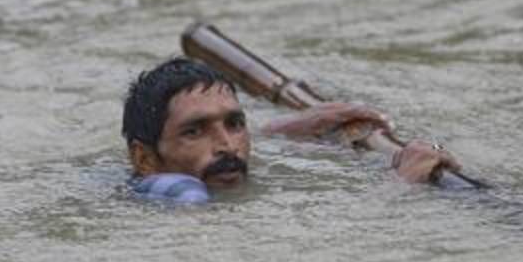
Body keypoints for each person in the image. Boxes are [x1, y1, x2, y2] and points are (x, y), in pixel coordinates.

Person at [122, 58, 462, 203]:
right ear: (145, 159)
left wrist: (283, 130)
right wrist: (400, 187)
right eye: (195, 132)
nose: (228, 146)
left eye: (235, 123)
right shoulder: (181, 203)